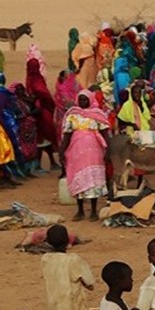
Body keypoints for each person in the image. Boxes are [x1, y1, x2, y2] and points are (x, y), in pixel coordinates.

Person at [61, 93, 111, 221]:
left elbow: (105, 134)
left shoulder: (98, 114)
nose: (83, 102)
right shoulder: (72, 115)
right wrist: (61, 152)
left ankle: (94, 210)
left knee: (93, 180)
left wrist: (108, 151)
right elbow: (66, 135)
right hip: (76, 152)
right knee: (79, 179)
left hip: (94, 152)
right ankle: (80, 210)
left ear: (91, 100)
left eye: (85, 99)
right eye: (81, 99)